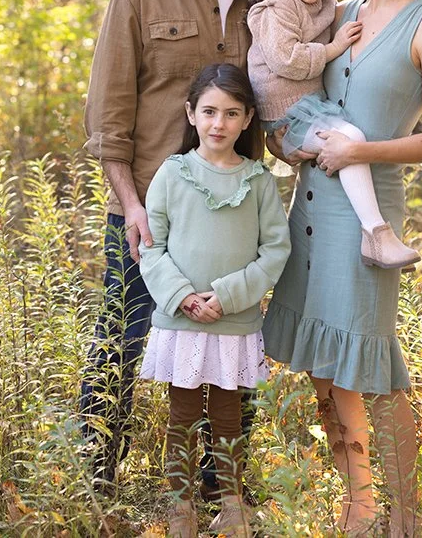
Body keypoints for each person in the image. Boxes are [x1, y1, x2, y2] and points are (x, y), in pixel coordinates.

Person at [262, 0, 422, 536]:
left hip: (369, 215)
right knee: (325, 369)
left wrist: (359, 153)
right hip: (311, 207)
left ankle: (403, 521)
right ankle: (359, 509)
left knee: (371, 367)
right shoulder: (335, 9)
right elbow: (288, 82)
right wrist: (281, 138)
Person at [79, 0, 259, 495]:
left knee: (231, 347)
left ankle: (221, 488)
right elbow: (109, 117)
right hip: (149, 212)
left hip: (236, 210)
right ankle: (96, 480)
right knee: (122, 339)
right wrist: (128, 204)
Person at [138, 64, 290, 538]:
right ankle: (180, 505)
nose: (218, 123)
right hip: (181, 319)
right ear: (191, 113)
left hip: (232, 320)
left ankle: (231, 503)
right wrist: (183, 297)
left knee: (229, 415)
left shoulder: (259, 182)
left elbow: (275, 251)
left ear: (248, 120)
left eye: (230, 113)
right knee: (182, 414)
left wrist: (226, 297)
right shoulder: (172, 173)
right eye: (208, 111)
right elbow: (151, 247)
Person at [246, 0, 420, 270]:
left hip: (309, 109)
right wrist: (334, 47)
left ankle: (375, 235)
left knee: (348, 141)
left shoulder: (326, 5)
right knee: (350, 138)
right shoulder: (278, 7)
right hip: (285, 113)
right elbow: (288, 60)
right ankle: (377, 234)